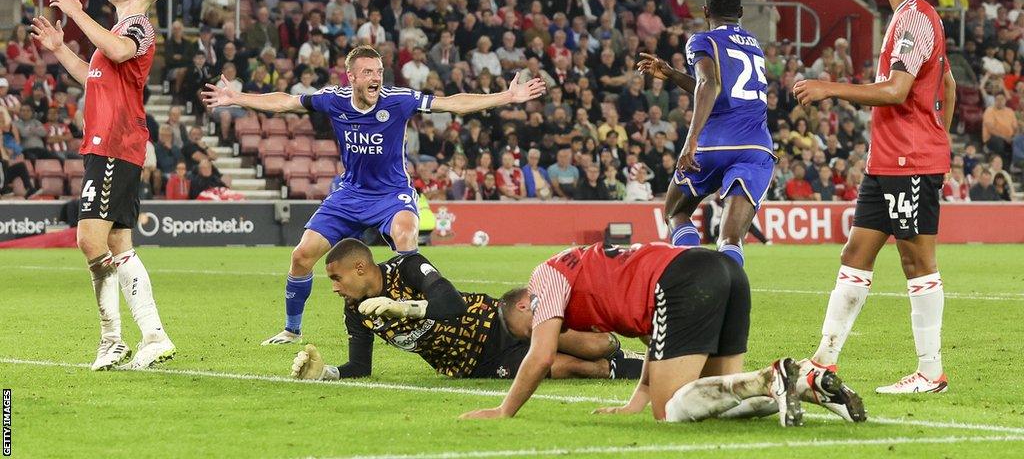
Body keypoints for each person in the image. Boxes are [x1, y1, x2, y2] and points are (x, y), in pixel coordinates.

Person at [202, 46, 546, 345]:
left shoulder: (399, 100)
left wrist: (506, 97)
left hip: (391, 194)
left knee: (406, 235)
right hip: (349, 194)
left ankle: (417, 313)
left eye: (379, 71)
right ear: (350, 76)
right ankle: (292, 330)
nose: (376, 78)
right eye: (368, 72)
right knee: (301, 256)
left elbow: (451, 105)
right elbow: (287, 103)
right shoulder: (333, 100)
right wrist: (237, 98)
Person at [794, 0, 956, 394]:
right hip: (888, 160)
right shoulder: (905, 19)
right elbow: (948, 82)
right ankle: (823, 363)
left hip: (909, 161)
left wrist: (831, 87)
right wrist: (939, 131)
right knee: (855, 254)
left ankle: (930, 372)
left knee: (917, 261)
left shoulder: (916, 19)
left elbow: (895, 91)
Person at [461, 243, 864, 424]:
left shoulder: (544, 278)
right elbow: (656, 340)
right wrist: (635, 401)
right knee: (720, 398)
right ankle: (804, 383)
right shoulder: (591, 279)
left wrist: (504, 410)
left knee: (669, 410)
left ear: (523, 303)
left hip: (684, 281)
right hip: (720, 271)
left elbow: (542, 356)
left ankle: (772, 377)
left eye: (530, 327)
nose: (541, 331)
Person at [31, 0, 176, 370]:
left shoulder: (138, 27)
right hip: (111, 142)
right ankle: (153, 335)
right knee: (118, 245)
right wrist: (60, 49)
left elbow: (116, 50)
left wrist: (77, 15)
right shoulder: (116, 31)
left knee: (89, 240)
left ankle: (112, 339)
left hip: (114, 141)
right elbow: (92, 74)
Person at [288, 239, 644, 381]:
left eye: (336, 277)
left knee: (593, 344)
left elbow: (451, 304)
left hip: (496, 320)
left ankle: (619, 348)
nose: (334, 287)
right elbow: (361, 367)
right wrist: (328, 373)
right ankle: (634, 369)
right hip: (473, 365)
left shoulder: (407, 267)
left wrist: (403, 309)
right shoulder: (358, 311)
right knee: (568, 366)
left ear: (361, 269)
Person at [636, 0, 774, 268]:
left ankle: (694, 272)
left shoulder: (702, 40)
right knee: (730, 239)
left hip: (714, 144)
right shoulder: (755, 46)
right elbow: (717, 87)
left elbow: (709, 84)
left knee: (675, 211)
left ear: (705, 11)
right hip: (755, 147)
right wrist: (673, 75)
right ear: (740, 11)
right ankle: (728, 294)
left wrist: (691, 139)